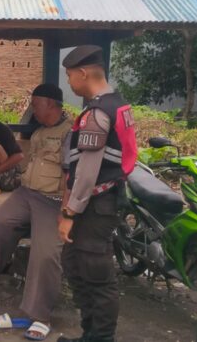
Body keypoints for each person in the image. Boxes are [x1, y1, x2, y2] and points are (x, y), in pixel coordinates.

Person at [0, 84, 73, 341]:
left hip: (53, 200)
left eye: (36, 104)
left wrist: (67, 212)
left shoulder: (71, 133)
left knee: (45, 253)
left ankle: (41, 315)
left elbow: (73, 176)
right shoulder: (40, 131)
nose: (32, 109)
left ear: (51, 104)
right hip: (27, 193)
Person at [58, 45, 138, 342]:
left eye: (69, 75)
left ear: (83, 73)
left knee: (96, 274)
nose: (68, 82)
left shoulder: (98, 113)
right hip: (98, 201)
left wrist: (69, 212)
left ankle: (101, 338)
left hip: (96, 204)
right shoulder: (116, 104)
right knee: (75, 264)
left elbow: (88, 170)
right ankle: (89, 334)